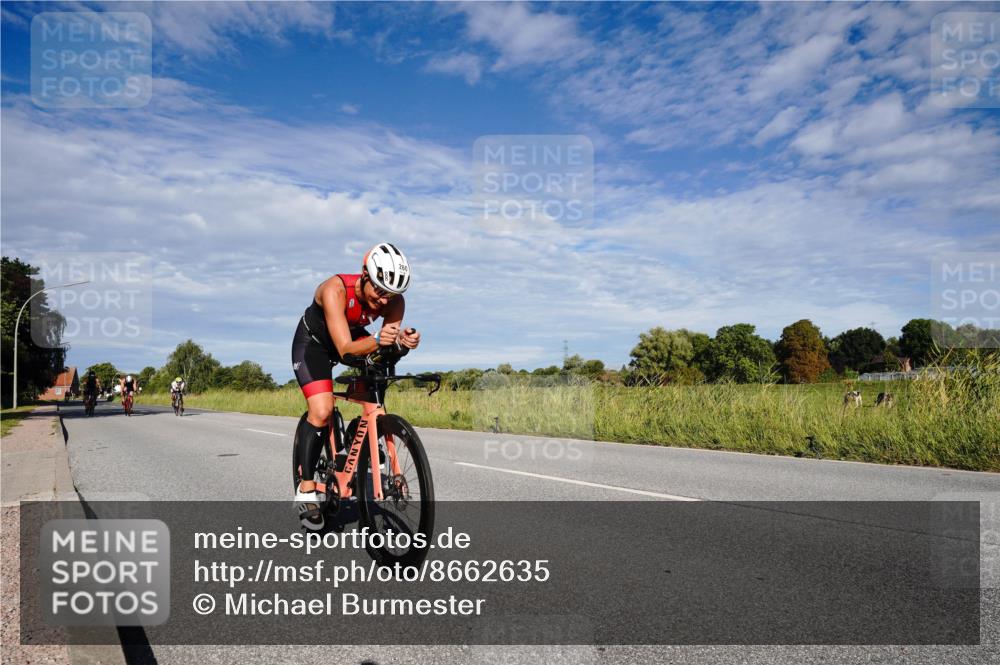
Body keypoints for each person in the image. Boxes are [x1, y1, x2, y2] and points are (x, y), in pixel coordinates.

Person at [291, 242, 421, 529]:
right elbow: (346, 349)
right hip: (315, 344)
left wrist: (402, 342)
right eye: (379, 290)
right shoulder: (334, 290)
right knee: (323, 410)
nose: (385, 301)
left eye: (392, 295)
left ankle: (360, 438)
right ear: (364, 274)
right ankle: (307, 487)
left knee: (375, 388)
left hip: (355, 338)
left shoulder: (394, 301)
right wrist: (378, 339)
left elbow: (386, 350)